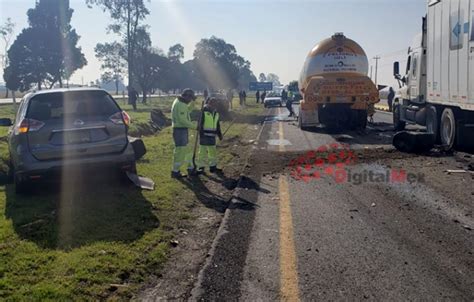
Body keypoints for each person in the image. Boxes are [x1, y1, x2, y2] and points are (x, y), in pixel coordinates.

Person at [171, 89, 197, 179]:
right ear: (187, 96)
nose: (190, 100)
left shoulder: (180, 102)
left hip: (180, 130)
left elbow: (187, 111)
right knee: (180, 151)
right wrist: (195, 127)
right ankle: (175, 171)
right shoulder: (181, 104)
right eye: (190, 98)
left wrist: (193, 104)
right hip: (180, 130)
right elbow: (183, 120)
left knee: (186, 149)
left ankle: (190, 167)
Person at [197, 97, 223, 174]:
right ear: (209, 103)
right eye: (213, 104)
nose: (214, 106)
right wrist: (201, 134)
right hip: (204, 135)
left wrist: (219, 134)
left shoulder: (216, 113)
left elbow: (217, 125)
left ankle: (213, 167)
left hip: (212, 136)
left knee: (212, 152)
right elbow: (200, 124)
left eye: (216, 105)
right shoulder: (203, 111)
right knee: (202, 152)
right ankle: (201, 167)